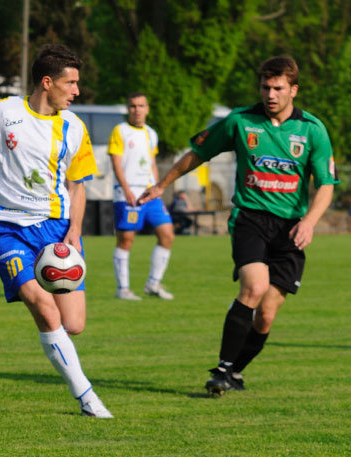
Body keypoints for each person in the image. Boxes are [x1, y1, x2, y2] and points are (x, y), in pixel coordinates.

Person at [138, 56, 338, 395]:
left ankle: (234, 371)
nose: (270, 94)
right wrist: (162, 184)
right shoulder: (241, 121)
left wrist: (309, 221)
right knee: (254, 287)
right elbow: (198, 153)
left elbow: (327, 184)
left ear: (294, 90)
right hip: (250, 218)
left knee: (267, 315)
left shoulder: (312, 130)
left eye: (278, 88)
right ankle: (222, 370)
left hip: (290, 227)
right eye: (265, 87)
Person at [0, 44, 113, 418]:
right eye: (71, 83)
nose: (77, 91)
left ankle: (59, 348)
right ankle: (88, 398)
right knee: (42, 307)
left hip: (56, 230)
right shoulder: (3, 112)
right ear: (47, 82)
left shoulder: (74, 127)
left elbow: (78, 185)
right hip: (9, 228)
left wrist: (74, 231)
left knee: (74, 323)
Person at [108, 92, 174, 301]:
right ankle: (123, 289)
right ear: (128, 109)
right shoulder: (120, 131)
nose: (137, 110)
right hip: (128, 192)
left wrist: (157, 188)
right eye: (133, 106)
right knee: (126, 240)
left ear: (147, 109)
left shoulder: (151, 133)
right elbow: (116, 162)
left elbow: (152, 162)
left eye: (141, 106)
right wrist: (126, 189)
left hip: (150, 193)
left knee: (167, 234)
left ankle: (153, 284)